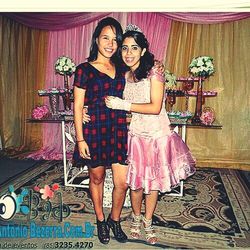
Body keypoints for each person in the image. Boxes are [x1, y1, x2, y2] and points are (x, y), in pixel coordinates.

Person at [105, 24, 196, 245]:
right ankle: (136, 219)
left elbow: (155, 107)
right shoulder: (123, 74)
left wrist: (123, 104)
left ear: (143, 51)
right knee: (136, 183)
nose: (128, 53)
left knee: (153, 183)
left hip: (157, 135)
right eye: (124, 48)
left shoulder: (155, 71)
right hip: (136, 135)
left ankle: (148, 221)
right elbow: (110, 100)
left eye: (134, 48)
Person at [73, 17, 129, 244]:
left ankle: (114, 219)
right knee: (97, 177)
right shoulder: (83, 70)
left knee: (122, 182)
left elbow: (144, 68)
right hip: (95, 129)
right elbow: (77, 105)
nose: (110, 43)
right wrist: (80, 139)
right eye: (105, 37)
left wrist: (158, 65)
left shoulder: (123, 67)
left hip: (118, 129)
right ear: (96, 39)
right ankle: (100, 219)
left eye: (115, 39)